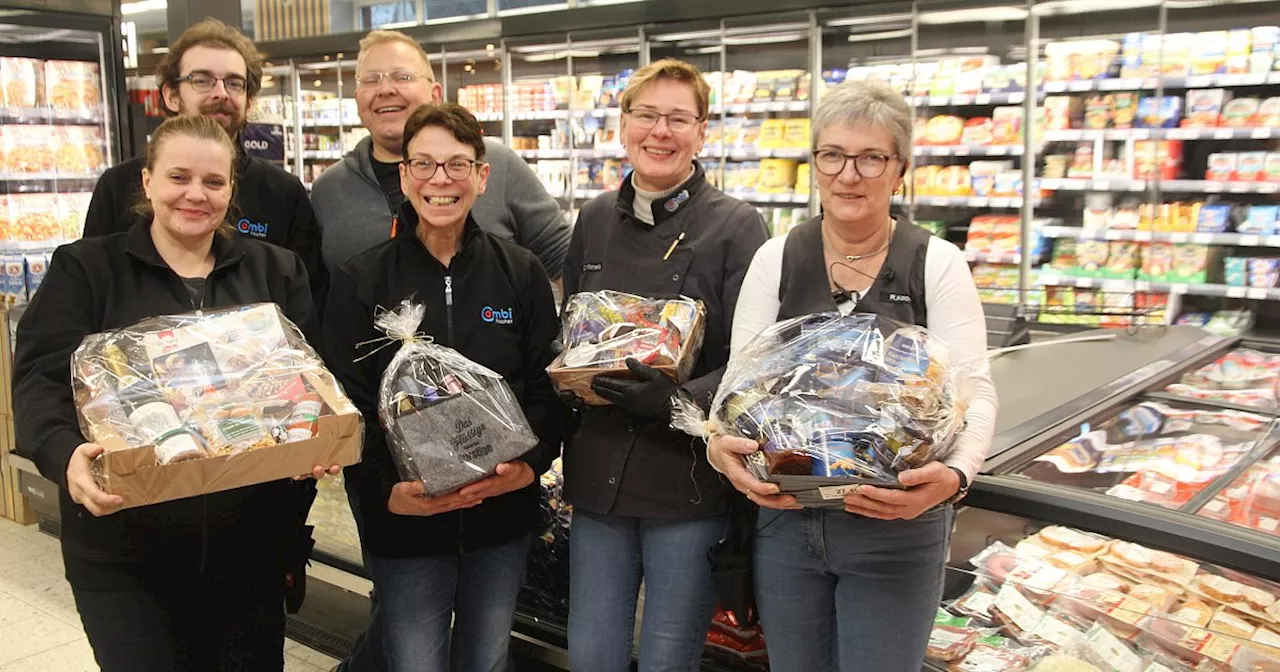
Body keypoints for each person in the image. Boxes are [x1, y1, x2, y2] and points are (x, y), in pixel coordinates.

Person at [12, 115, 337, 672]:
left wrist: (315, 439)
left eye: (213, 182)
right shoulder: (87, 269)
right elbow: (41, 376)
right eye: (178, 177)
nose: (196, 194)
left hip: (250, 545)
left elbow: (306, 377)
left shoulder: (275, 269)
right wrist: (63, 452)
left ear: (232, 189)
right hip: (124, 546)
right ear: (147, 181)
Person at [707, 79, 1000, 672]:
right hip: (787, 522)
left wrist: (957, 474)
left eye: (871, 157)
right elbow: (738, 391)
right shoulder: (778, 258)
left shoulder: (935, 262)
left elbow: (975, 387)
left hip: (896, 525)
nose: (849, 174)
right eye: (833, 155)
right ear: (815, 164)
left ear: (901, 170)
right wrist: (720, 448)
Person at [323, 102, 565, 672]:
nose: (441, 180)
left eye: (457, 164)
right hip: (407, 523)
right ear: (403, 176)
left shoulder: (521, 271)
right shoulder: (361, 278)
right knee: (413, 661)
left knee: (487, 657)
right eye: (424, 165)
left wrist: (530, 464)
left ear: (482, 176)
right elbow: (349, 402)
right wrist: (386, 490)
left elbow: (546, 383)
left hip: (501, 517)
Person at [560, 58, 769, 672]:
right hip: (597, 475)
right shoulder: (594, 219)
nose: (661, 132)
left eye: (679, 118)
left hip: (686, 477)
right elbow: (571, 327)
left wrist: (679, 399)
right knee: (592, 653)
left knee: (668, 658)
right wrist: (572, 374)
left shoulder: (736, 225)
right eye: (647, 115)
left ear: (702, 132)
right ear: (623, 125)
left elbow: (752, 359)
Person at [83, 18, 327, 311]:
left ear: (249, 102)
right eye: (202, 80)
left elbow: (310, 301)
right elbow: (93, 286)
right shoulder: (118, 185)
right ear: (171, 95)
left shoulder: (283, 192)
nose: (221, 93)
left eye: (234, 83)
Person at [310, 30, 569, 279]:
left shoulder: (499, 165)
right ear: (356, 98)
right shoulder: (328, 191)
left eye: (402, 77)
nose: (385, 89)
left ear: (435, 94)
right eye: (371, 79)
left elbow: (565, 260)